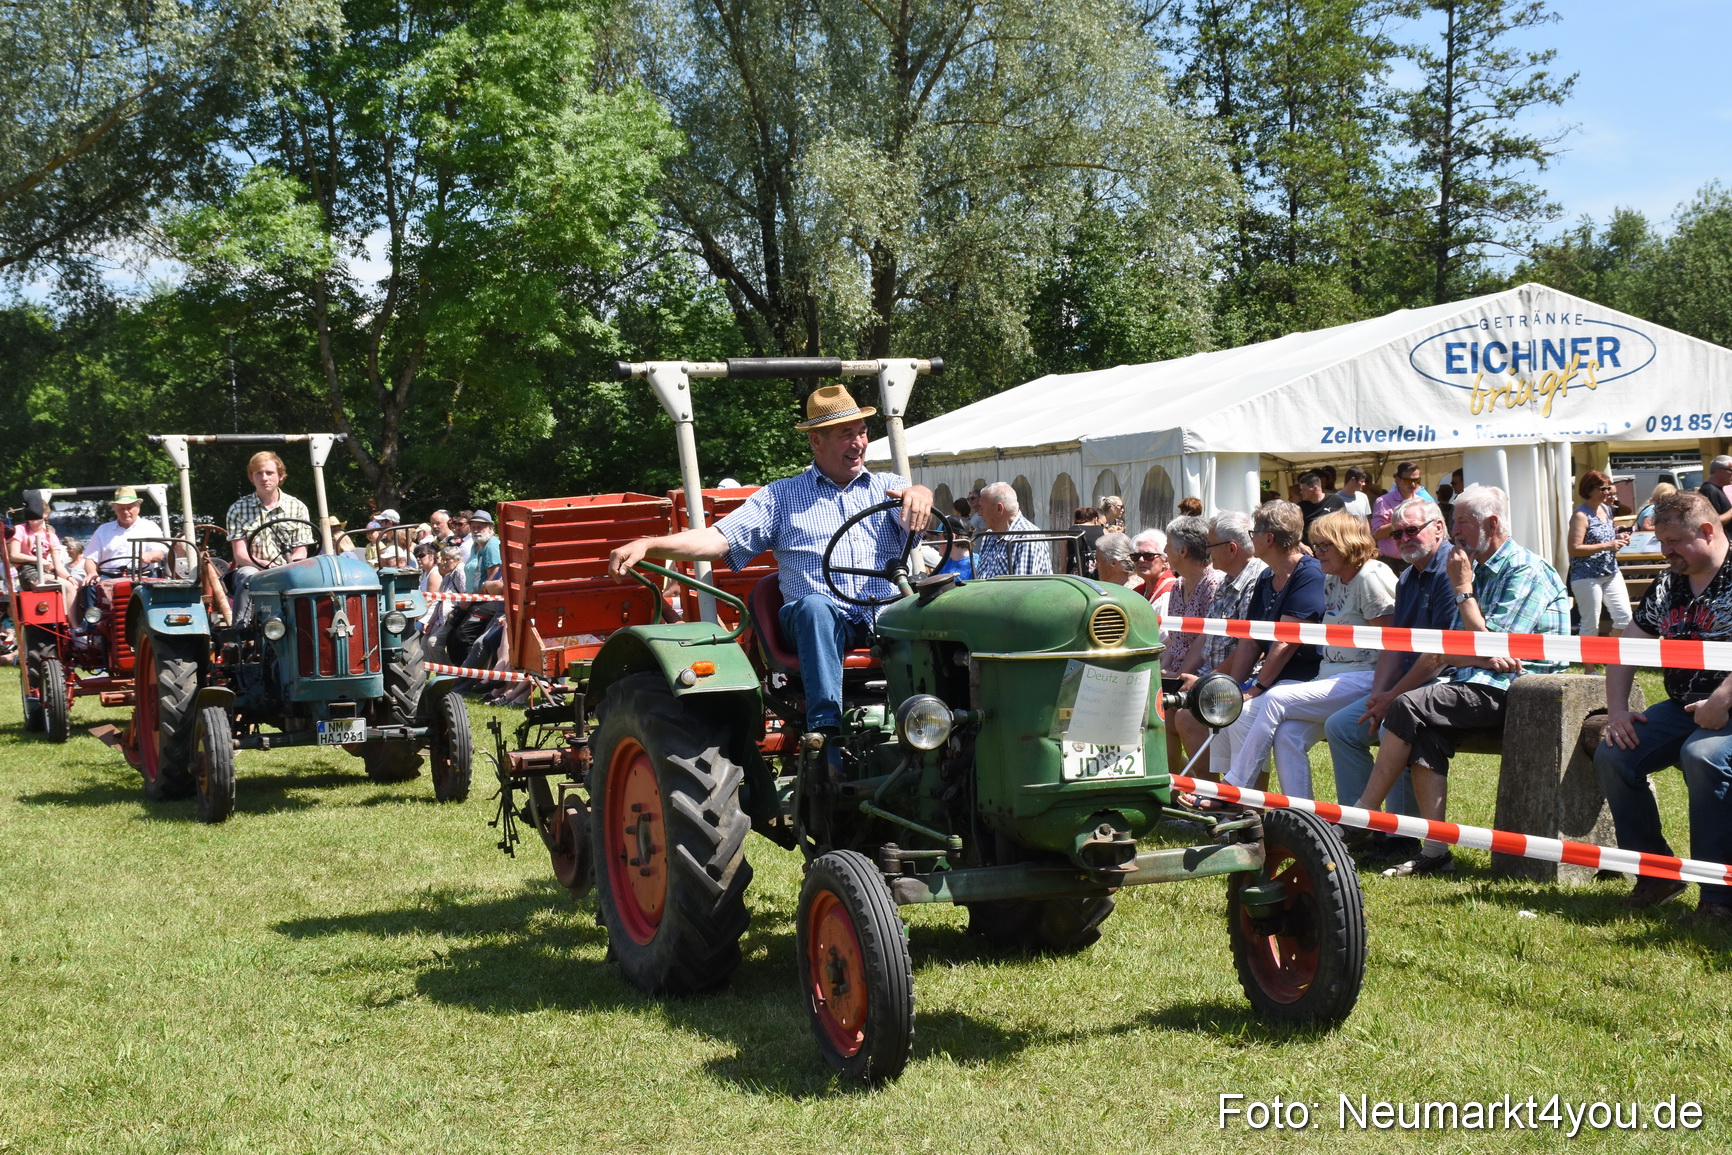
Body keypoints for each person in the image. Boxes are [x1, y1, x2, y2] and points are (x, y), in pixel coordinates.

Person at [607, 384, 933, 738]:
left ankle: (933, 721)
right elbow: (718, 539)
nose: (858, 443)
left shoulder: (888, 489)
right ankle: (826, 730)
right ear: (816, 441)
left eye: (862, 432)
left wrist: (921, 493)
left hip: (881, 617)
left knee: (942, 605)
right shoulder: (782, 496)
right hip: (815, 620)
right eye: (845, 435)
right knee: (815, 608)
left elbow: (917, 507)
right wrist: (651, 544)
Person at [1344, 484, 1569, 877]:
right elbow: (1453, 649)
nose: (1455, 531)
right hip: (1476, 682)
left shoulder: (1524, 569)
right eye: (1453, 521)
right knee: (1427, 732)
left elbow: (1496, 652)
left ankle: (1362, 816)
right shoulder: (1470, 568)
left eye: (1461, 521)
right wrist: (1475, 647)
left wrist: (1464, 592)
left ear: (1492, 523)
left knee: (1408, 705)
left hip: (1525, 692)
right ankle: (1436, 851)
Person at [1595, 491, 1732, 920]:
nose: (1664, 551)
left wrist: (1722, 700)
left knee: (1702, 756)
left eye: (1672, 541)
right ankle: (1657, 874)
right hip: (1683, 706)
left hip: (1727, 708)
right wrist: (1616, 711)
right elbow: (1627, 646)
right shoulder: (1669, 582)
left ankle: (1719, 898)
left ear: (1707, 531)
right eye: (1660, 542)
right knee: (1614, 752)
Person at [1223, 511, 1395, 800]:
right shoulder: (1332, 578)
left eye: (1325, 545)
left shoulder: (1371, 576)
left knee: (1277, 697)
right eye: (1315, 545)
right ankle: (1301, 818)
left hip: (1366, 677)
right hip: (1332, 675)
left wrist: (1381, 696)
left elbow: (1393, 644)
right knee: (1288, 733)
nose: (1317, 552)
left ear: (1347, 543)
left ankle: (1234, 786)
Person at [1324, 496, 1456, 858]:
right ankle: (1359, 829)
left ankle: (1401, 835)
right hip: (1410, 683)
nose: (1404, 539)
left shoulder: (1450, 571)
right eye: (1397, 534)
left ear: (1439, 528)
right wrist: (1378, 695)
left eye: (1412, 530)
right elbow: (1394, 646)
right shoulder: (1409, 578)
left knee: (1393, 723)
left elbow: (1439, 655)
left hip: (1447, 680)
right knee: (1340, 726)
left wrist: (1390, 697)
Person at [1212, 502, 1327, 786]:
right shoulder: (1266, 577)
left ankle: (1243, 802)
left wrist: (1256, 688)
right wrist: (1233, 687)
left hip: (1304, 678)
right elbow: (1251, 641)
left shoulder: (1309, 574)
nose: (1250, 538)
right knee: (1225, 707)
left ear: (1268, 539)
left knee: (1241, 714)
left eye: (1254, 532)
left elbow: (1285, 642)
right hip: (1275, 682)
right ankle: (1226, 796)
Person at [1171, 510, 1268, 771]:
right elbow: (1206, 636)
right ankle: (1173, 792)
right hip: (1214, 676)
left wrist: (1204, 682)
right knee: (1165, 709)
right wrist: (1182, 674)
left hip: (1242, 679)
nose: (1206, 551)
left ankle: (1210, 794)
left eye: (1209, 545)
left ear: (1232, 548)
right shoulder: (1227, 581)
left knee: (1187, 716)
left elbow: (1252, 648)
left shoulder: (1258, 581)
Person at [226, 451, 315, 621]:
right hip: (253, 567)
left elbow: (301, 551)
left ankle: (308, 627)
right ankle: (239, 631)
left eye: (269, 473)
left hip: (288, 568)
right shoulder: (237, 509)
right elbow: (240, 554)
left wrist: (288, 569)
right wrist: (264, 565)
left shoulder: (297, 507)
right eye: (258, 473)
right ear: (251, 478)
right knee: (246, 576)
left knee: (312, 579)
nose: (264, 478)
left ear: (281, 476)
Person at [1567, 469, 1633, 639]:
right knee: (1590, 625)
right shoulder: (1580, 515)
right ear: (1589, 490)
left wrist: (1618, 537)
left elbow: (1605, 535)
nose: (1607, 492)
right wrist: (1607, 545)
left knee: (1624, 618)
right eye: (1602, 489)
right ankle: (1590, 667)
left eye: (1608, 488)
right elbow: (1574, 549)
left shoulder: (1606, 509)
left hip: (1611, 572)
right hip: (1586, 576)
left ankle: (1609, 658)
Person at [1158, 516, 1221, 678]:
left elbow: (1206, 641)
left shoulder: (1213, 584)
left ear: (1183, 551)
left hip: (1199, 675)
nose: (1164, 550)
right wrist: (1159, 675)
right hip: (1175, 671)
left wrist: (1177, 677)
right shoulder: (1178, 586)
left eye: (1168, 544)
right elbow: (1174, 643)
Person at [446, 509, 502, 670]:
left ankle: (472, 677)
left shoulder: (492, 545)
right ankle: (459, 673)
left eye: (481, 527)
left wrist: (469, 600)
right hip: (474, 599)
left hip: (488, 601)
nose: (476, 530)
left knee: (463, 636)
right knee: (452, 635)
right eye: (474, 527)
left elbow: (493, 581)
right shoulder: (475, 546)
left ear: (491, 528)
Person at [83, 487, 167, 581]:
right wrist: (92, 573)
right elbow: (90, 559)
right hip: (108, 577)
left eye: (129, 507)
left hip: (143, 576)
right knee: (89, 587)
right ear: (115, 509)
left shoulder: (150, 527)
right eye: (121, 508)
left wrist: (149, 555)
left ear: (138, 508)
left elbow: (159, 554)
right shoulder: (103, 530)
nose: (125, 512)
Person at [974, 482, 1052, 578]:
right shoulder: (989, 536)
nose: (979, 513)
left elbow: (1022, 588)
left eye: (982, 508)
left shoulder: (1027, 537)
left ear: (999, 509)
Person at [1370, 461, 1432, 569]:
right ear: (1397, 480)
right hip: (1390, 562)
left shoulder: (1421, 501)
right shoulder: (1384, 501)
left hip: (1415, 560)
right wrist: (1402, 523)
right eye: (1408, 480)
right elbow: (1377, 533)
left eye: (1416, 480)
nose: (1413, 484)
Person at [6, 493, 74, 589]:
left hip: (46, 571)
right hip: (28, 571)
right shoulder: (19, 530)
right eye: (30, 514)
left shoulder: (51, 536)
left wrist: (69, 577)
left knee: (72, 585)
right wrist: (39, 560)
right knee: (65, 586)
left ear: (45, 514)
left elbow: (58, 565)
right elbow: (14, 555)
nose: (33, 517)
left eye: (36, 513)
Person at [1296, 470, 1347, 545]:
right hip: (1310, 553)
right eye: (1301, 489)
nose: (1301, 492)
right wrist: (1301, 545)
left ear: (1315, 489)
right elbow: (1295, 531)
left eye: (1304, 490)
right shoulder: (1300, 507)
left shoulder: (1336, 501)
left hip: (1333, 549)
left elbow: (1345, 525)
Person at [1131, 529, 1175, 611]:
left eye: (1148, 556)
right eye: (1136, 556)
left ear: (1165, 561)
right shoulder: (1137, 592)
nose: (1141, 560)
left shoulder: (1171, 592)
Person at [933, 516, 974, 580]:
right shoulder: (946, 563)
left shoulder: (975, 565)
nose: (937, 542)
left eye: (939, 536)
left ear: (951, 537)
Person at [1069, 507, 1106, 577]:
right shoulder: (1103, 531)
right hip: (1096, 577)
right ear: (1096, 519)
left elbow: (1063, 563)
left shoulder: (1069, 532)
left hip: (1075, 578)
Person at [1697, 455, 1732, 527]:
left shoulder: (1717, 489)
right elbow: (1710, 523)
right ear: (1719, 471)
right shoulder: (1709, 490)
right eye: (1731, 470)